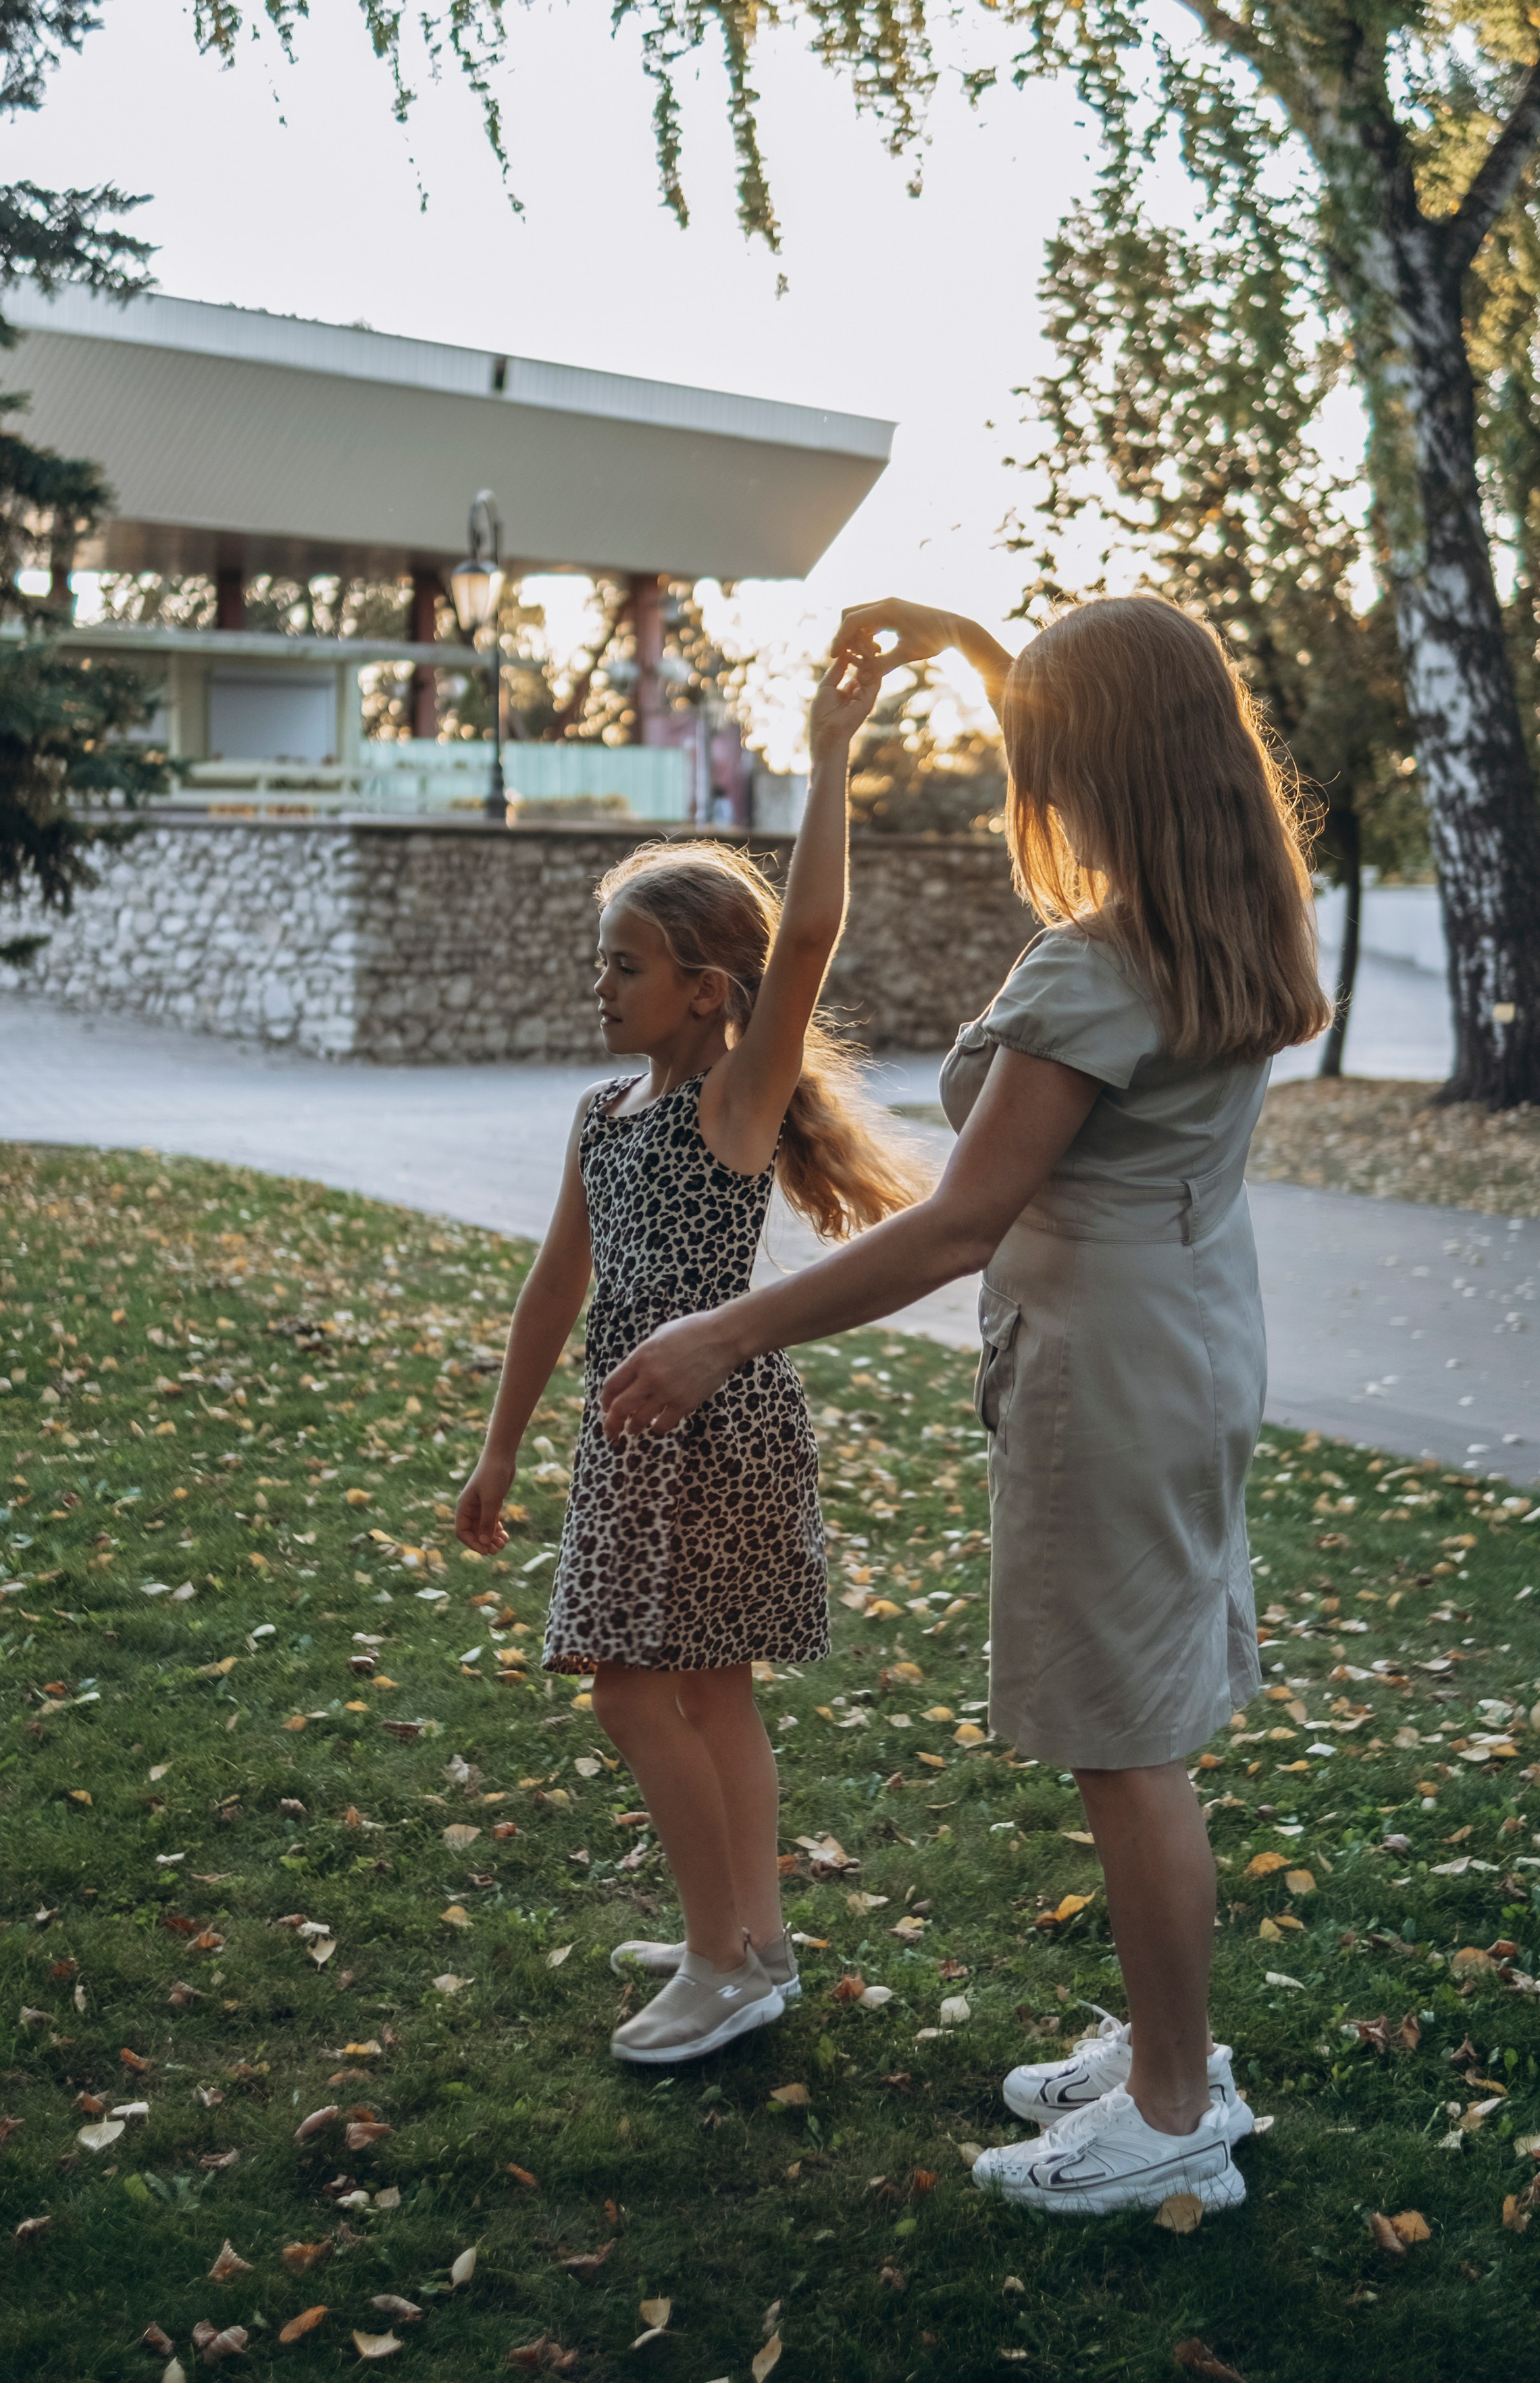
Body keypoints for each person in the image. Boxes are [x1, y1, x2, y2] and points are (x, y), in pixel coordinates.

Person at [600, 593, 1330, 2213]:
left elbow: (949, 1228)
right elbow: (1116, 719)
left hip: (1108, 1373)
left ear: (1096, 761)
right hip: (1195, 1333)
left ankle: (1165, 2109)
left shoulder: (1091, 968)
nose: (1031, 780)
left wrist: (725, 1330)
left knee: (1126, 1745)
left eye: (1042, 747)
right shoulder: (1233, 917)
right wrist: (981, 650)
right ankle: (1172, 2045)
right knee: (1148, 1715)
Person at [454, 643, 925, 2067]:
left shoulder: (731, 1104)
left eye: (627, 964)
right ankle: (750, 1939)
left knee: (631, 1687)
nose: (601, 985)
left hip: (712, 1424)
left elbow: (812, 934)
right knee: (703, 1687)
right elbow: (555, 1281)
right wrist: (498, 1441)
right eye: (601, 960)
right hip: (624, 1425)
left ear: (707, 990)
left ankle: (723, 1960)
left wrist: (830, 746)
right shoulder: (603, 1113)